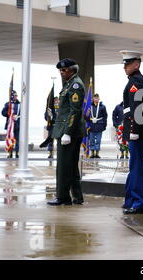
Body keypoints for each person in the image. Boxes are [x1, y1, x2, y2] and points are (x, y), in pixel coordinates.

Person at [120, 50, 143, 214]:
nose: (125, 67)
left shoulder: (138, 81)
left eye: (128, 64)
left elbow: (138, 107)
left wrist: (134, 129)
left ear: (137, 64)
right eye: (125, 64)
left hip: (139, 130)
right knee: (134, 166)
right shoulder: (133, 81)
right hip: (135, 129)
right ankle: (131, 200)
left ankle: (140, 203)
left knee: (137, 167)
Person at [47, 58, 86, 206]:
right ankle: (77, 197)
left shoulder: (75, 85)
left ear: (72, 70)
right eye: (60, 70)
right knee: (71, 166)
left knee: (64, 166)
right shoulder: (69, 84)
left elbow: (74, 111)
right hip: (66, 131)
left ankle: (63, 197)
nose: (62, 73)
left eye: (64, 70)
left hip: (69, 132)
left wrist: (67, 132)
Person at [86, 93, 108, 158]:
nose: (96, 99)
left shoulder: (102, 107)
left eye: (97, 98)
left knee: (98, 140)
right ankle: (92, 153)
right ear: (92, 99)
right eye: (94, 98)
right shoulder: (90, 106)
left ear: (99, 99)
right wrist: (88, 113)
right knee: (92, 140)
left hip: (99, 125)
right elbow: (86, 117)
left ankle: (97, 153)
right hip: (91, 126)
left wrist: (104, 125)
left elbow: (105, 116)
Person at [2, 90, 20, 158]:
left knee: (17, 140)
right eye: (15, 96)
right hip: (10, 125)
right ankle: (10, 153)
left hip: (18, 125)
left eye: (16, 96)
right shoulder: (8, 104)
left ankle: (17, 153)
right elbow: (3, 113)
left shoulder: (20, 104)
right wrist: (9, 114)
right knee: (10, 139)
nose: (16, 97)